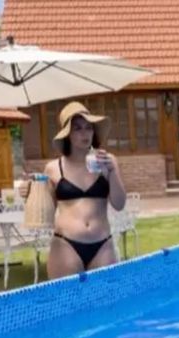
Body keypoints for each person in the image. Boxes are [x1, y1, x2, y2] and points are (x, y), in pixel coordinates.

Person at [21, 101, 126, 279]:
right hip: (66, 245)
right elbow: (45, 212)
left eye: (88, 127)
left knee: (105, 295)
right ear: (67, 134)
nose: (85, 133)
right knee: (67, 296)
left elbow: (119, 204)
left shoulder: (107, 161)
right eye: (77, 128)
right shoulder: (53, 168)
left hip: (102, 244)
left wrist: (112, 171)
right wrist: (31, 193)